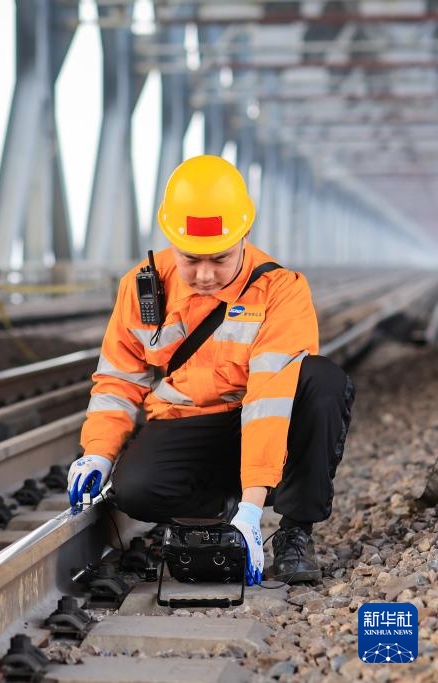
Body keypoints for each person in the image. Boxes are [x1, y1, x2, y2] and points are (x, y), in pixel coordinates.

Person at [66, 155, 355, 585]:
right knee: (134, 490)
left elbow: (269, 400)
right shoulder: (142, 288)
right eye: (190, 259)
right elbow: (119, 381)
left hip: (257, 422)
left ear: (244, 236)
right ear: (170, 242)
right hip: (190, 423)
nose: (203, 274)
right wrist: (98, 452)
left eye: (219, 259)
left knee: (322, 381)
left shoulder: (279, 290)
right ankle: (217, 508)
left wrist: (255, 508)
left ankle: (295, 531)